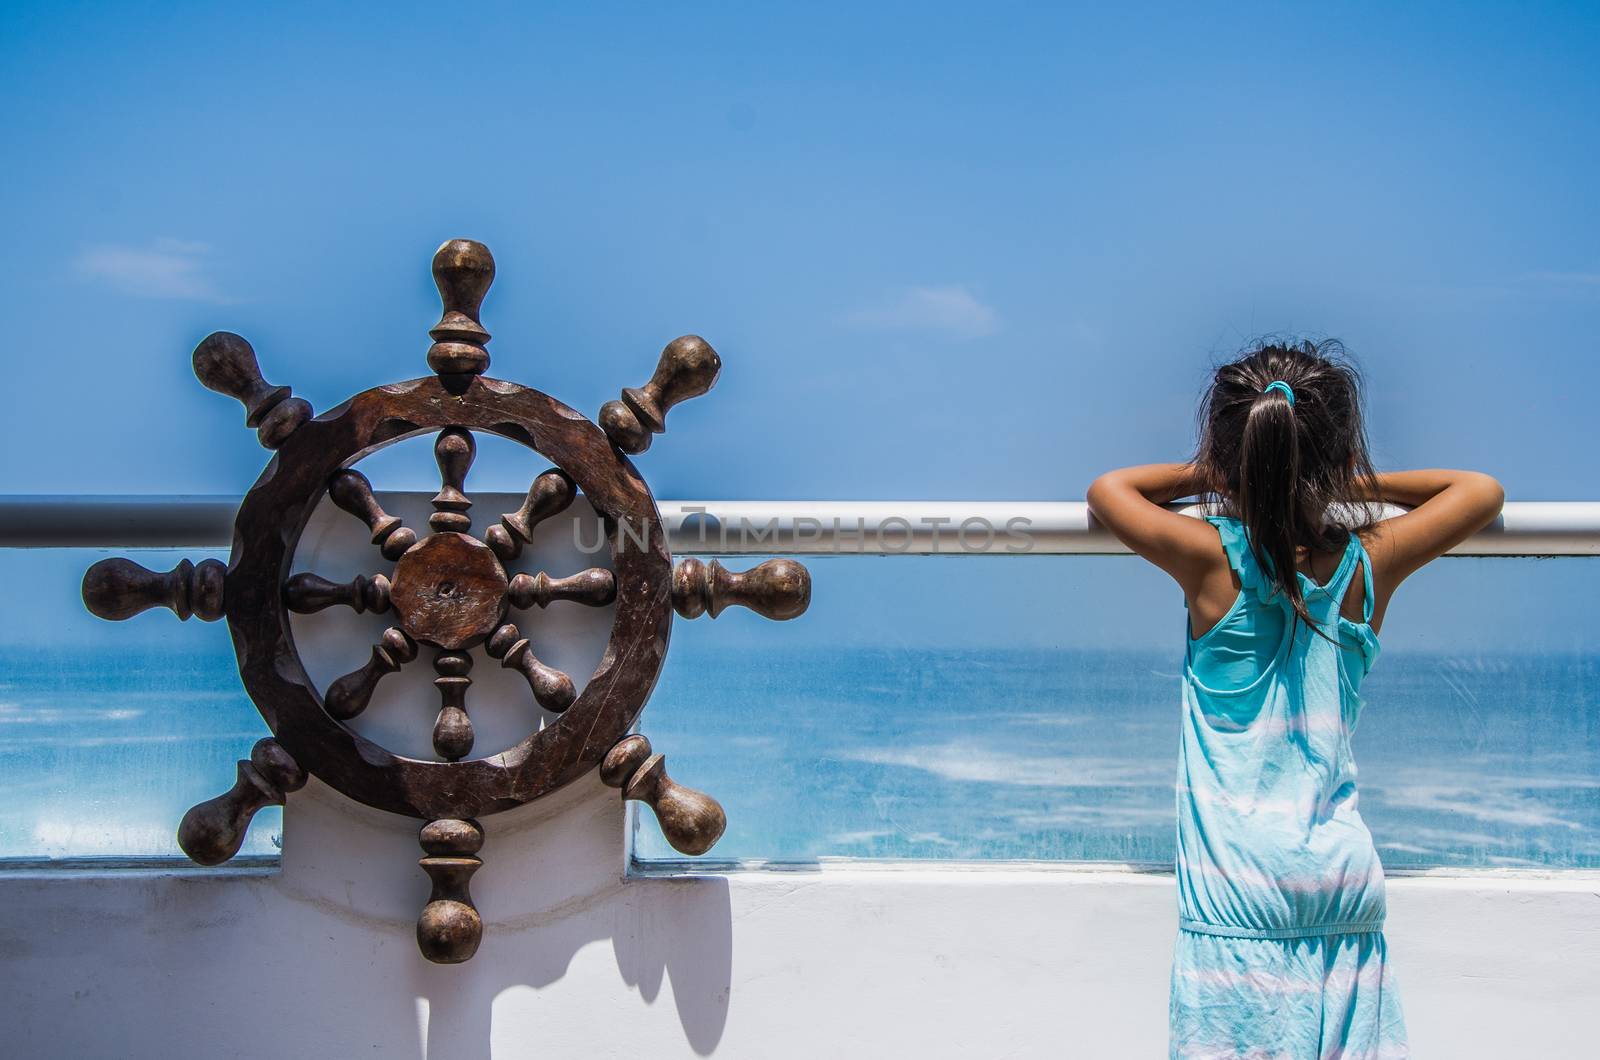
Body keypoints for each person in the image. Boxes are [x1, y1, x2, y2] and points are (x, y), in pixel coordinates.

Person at [1087, 339, 1504, 1059]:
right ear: (1342, 460)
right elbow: (1479, 491)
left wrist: (1219, 475)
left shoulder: (1210, 559)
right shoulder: (1367, 561)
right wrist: (1346, 480)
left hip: (1238, 898)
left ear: (1233, 453)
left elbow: (1109, 491)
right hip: (1341, 886)